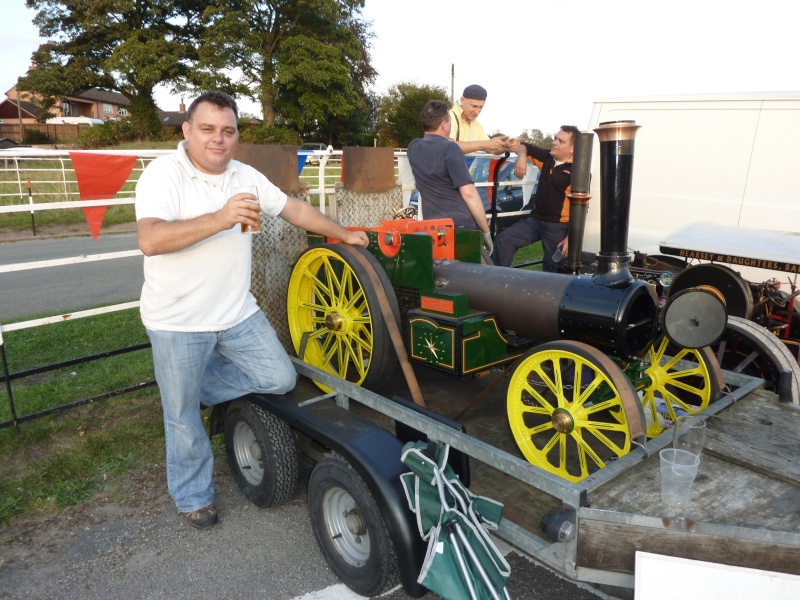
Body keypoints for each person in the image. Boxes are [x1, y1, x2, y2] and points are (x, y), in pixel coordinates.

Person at [135, 91, 368, 530]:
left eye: (228, 131)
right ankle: (193, 496)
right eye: (207, 129)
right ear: (187, 131)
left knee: (279, 378)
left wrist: (342, 233)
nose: (218, 140)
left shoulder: (244, 174)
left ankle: (196, 387)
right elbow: (151, 240)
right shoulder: (162, 174)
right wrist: (221, 218)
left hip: (237, 312)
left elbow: (292, 207)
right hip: (178, 321)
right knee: (182, 420)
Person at [407, 100, 493, 253]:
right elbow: (469, 194)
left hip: (432, 226)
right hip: (458, 225)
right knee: (476, 273)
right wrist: (486, 231)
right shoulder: (450, 148)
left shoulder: (413, 147)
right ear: (444, 125)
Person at [490, 126, 579, 271]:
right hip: (535, 221)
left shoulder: (578, 171)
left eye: (561, 141)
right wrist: (522, 157)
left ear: (572, 149)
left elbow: (581, 208)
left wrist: (571, 238)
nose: (554, 142)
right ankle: (495, 281)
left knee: (554, 266)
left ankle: (551, 293)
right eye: (555, 138)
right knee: (504, 239)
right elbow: (521, 146)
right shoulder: (547, 157)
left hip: (558, 226)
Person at [449, 85, 514, 154]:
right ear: (462, 100)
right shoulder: (448, 117)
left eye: (480, 107)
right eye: (474, 106)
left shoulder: (477, 125)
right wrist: (485, 144)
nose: (477, 112)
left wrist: (506, 147)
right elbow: (448, 146)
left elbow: (490, 149)